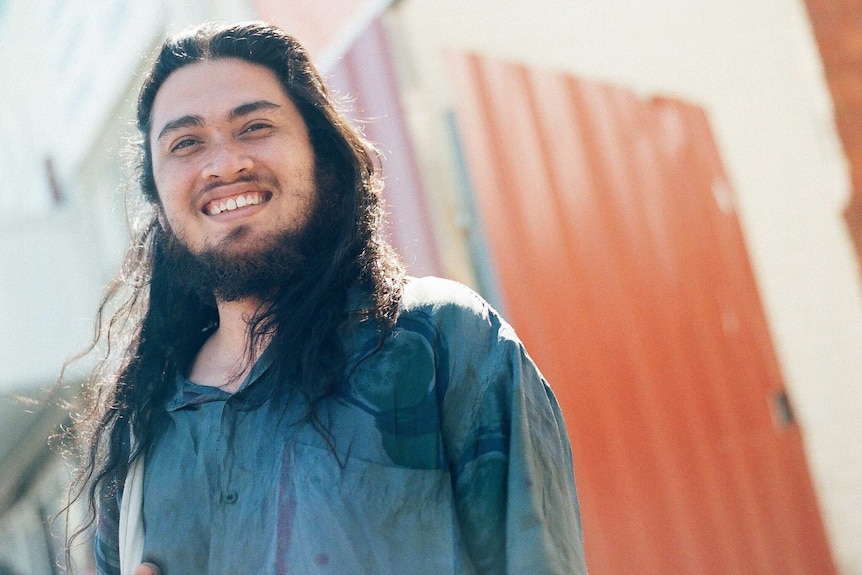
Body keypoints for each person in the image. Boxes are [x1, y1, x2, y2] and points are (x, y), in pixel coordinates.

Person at [67, 20, 588, 575]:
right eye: (185, 143)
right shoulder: (138, 431)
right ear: (157, 193)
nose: (223, 164)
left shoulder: (442, 341)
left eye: (256, 126)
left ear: (323, 156)